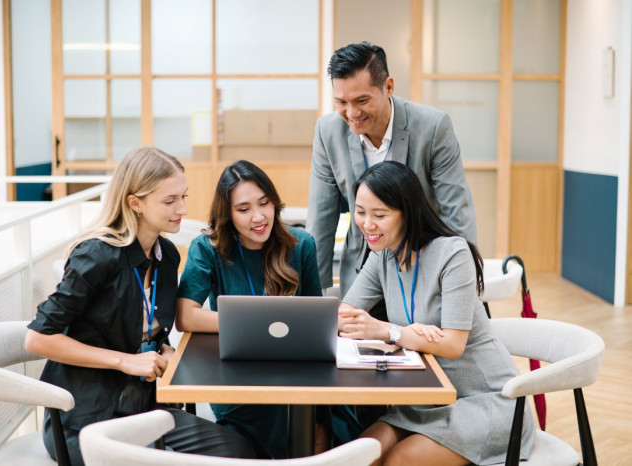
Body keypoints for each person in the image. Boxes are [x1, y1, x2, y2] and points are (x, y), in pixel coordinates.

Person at [25, 147, 255, 465]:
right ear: (135, 203)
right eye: (170, 201)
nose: (183, 209)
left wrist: (166, 352)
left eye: (184, 197)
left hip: (143, 409)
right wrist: (125, 361)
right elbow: (38, 339)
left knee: (237, 450)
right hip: (84, 422)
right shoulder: (95, 256)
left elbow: (151, 331)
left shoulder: (167, 256)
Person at [338, 161, 534, 466]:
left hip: (484, 401)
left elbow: (453, 345)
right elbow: (344, 316)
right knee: (365, 450)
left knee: (399, 459)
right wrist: (412, 334)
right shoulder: (383, 257)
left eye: (380, 215)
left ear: (408, 212)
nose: (367, 224)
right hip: (425, 401)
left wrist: (391, 332)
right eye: (360, 213)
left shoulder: (452, 253)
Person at [177, 160, 362, 459]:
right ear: (228, 214)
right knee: (251, 444)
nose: (258, 217)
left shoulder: (301, 244)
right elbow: (186, 316)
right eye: (244, 209)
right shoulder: (208, 248)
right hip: (237, 375)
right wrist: (253, 323)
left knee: (320, 430)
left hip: (297, 371)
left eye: (264, 203)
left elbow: (316, 316)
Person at [307, 41, 477, 306]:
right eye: (342, 102)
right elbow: (321, 217)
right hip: (361, 271)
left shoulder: (432, 127)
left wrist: (460, 285)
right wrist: (312, 296)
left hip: (422, 267)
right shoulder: (328, 132)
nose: (352, 114)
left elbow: (456, 212)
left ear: (388, 87)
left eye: (361, 100)